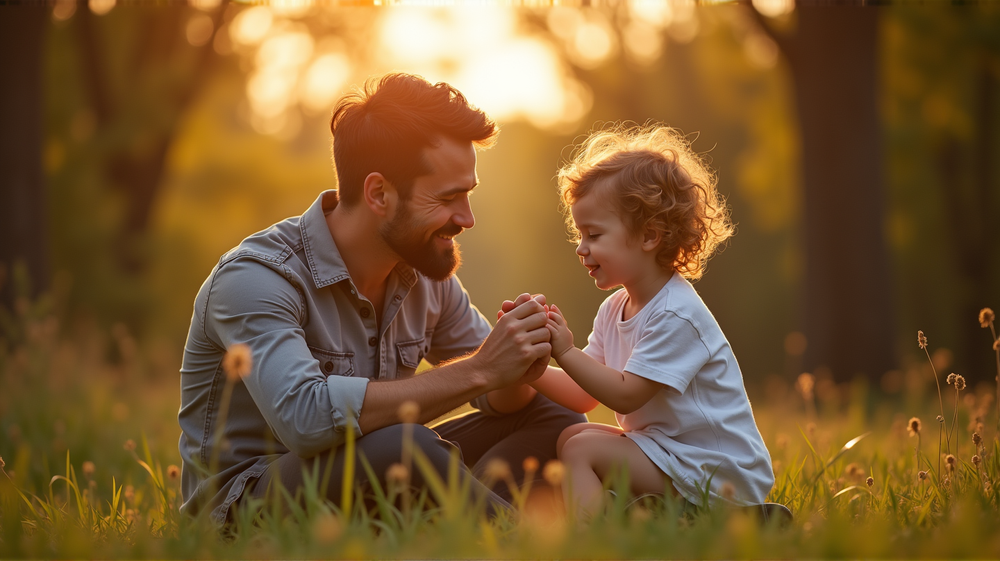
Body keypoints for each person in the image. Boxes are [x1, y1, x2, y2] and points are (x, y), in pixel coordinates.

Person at [176, 73, 588, 526]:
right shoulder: (256, 278)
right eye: (449, 197)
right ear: (378, 193)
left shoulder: (424, 270)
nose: (467, 218)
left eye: (468, 195)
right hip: (248, 504)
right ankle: (529, 542)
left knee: (555, 415)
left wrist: (518, 363)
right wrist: (483, 368)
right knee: (407, 448)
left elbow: (502, 400)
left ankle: (474, 524)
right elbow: (305, 419)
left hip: (371, 474)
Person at [533, 124, 774, 517]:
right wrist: (528, 365)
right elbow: (584, 395)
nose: (581, 247)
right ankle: (651, 517)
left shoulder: (677, 312)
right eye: (580, 233)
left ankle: (598, 542)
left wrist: (564, 349)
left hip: (720, 472)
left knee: (581, 448)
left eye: (593, 234)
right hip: (673, 455)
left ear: (649, 236)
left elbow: (625, 394)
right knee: (575, 434)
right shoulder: (615, 308)